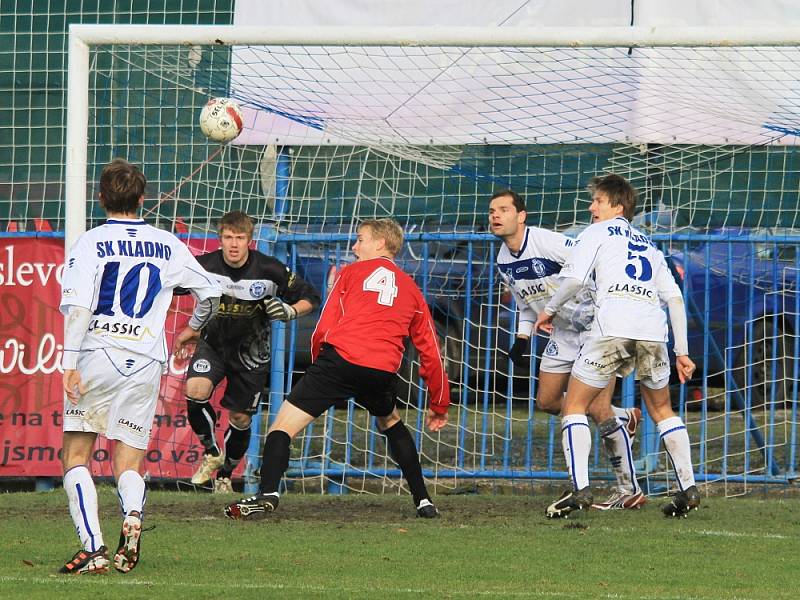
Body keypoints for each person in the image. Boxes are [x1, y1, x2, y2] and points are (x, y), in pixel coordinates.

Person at [224, 218, 450, 520]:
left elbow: (325, 325)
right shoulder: (411, 289)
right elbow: (431, 351)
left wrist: (321, 366)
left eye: (360, 239)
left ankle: (268, 494)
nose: (355, 247)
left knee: (282, 427)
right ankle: (423, 501)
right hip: (381, 370)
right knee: (390, 421)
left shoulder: (350, 272)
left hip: (340, 361)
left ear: (380, 243)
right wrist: (439, 402)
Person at [59, 158, 221, 574]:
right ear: (143, 199)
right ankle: (132, 513)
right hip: (146, 360)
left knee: (77, 454)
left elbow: (77, 308)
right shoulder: (167, 244)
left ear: (101, 198)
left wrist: (69, 362)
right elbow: (212, 292)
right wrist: (191, 329)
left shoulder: (90, 242)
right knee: (128, 461)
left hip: (97, 353)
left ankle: (93, 548)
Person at [534, 174, 699, 518]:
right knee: (663, 411)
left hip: (612, 329)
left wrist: (548, 311)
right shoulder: (649, 245)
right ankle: (688, 488)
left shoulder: (594, 233)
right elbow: (674, 299)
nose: (591, 207)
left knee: (575, 406)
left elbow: (576, 279)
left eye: (597, 201)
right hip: (653, 332)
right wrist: (682, 352)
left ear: (617, 206)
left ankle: (579, 488)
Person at [489, 190, 644, 510]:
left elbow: (590, 266)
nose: (495, 215)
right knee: (546, 401)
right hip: (562, 332)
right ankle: (622, 417)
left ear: (521, 216)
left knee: (595, 410)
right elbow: (527, 303)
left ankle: (629, 490)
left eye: (504, 209)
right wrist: (521, 339)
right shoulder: (503, 260)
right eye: (492, 210)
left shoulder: (547, 242)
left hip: (595, 328)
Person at [174, 211, 320, 494]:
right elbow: (168, 284)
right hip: (213, 346)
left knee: (240, 418)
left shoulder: (269, 269)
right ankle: (211, 451)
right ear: (220, 240)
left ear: (249, 241)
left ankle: (226, 474)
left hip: (251, 355)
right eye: (228, 237)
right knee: (195, 389)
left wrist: (291, 310)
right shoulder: (203, 266)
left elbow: (311, 297)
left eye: (240, 238)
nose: (233, 244)